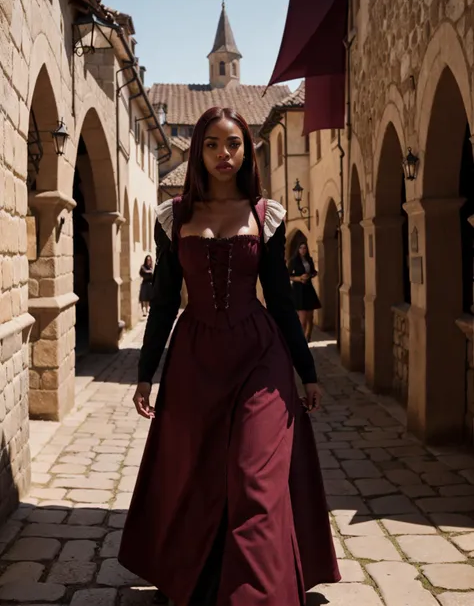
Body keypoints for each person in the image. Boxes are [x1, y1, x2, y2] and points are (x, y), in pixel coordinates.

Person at [118, 107, 340, 606]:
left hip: (260, 358)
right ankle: (203, 574)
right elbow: (166, 300)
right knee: (198, 474)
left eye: (235, 143)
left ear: (248, 150)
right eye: (214, 144)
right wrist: (144, 372)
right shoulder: (174, 216)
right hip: (195, 358)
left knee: (254, 479)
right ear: (198, 149)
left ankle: (255, 596)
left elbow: (281, 300)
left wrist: (307, 372)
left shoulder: (267, 215)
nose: (225, 154)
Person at [288, 242, 322, 342]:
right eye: (301, 248)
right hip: (299, 291)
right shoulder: (294, 261)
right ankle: (301, 341)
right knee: (302, 320)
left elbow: (313, 272)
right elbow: (288, 275)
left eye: (305, 248)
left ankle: (308, 338)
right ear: (298, 250)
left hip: (308, 289)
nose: (303, 250)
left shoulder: (309, 260)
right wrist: (299, 278)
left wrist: (310, 275)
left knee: (310, 319)